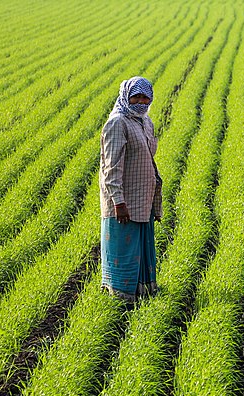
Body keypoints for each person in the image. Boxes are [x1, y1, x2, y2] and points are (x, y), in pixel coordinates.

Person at [99, 76, 163, 302]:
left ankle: (142, 294)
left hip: (142, 198)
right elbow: (111, 167)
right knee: (124, 251)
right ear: (126, 96)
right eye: (136, 96)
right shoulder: (118, 122)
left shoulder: (145, 121)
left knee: (140, 247)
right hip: (124, 201)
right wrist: (119, 202)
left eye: (146, 97)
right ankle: (120, 298)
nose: (141, 101)